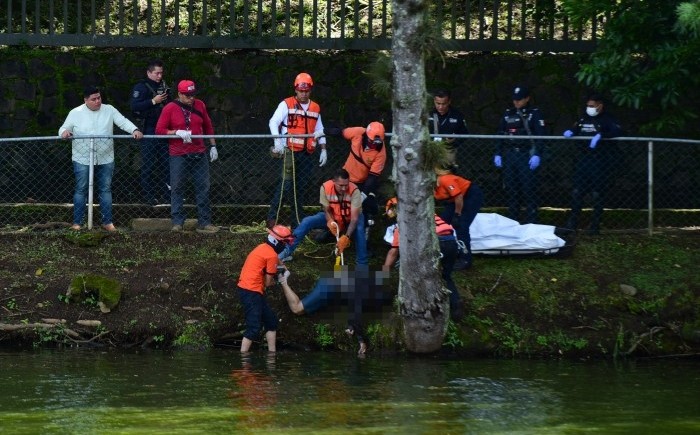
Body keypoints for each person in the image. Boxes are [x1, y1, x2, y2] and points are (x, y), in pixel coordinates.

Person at [59, 85, 143, 232]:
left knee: (105, 189)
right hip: (82, 157)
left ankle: (107, 222)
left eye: (99, 98)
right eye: (94, 99)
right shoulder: (75, 112)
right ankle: (77, 223)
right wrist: (65, 132)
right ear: (86, 100)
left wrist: (134, 129)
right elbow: (64, 128)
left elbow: (122, 121)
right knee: (81, 189)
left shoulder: (109, 109)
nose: (98, 101)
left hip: (106, 156)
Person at [381, 197, 464, 320]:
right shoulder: (427, 213)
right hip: (451, 242)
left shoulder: (403, 223)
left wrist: (384, 274)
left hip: (436, 243)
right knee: (445, 276)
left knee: (420, 275)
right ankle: (456, 305)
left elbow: (393, 252)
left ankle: (424, 311)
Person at [278, 266, 390, 355]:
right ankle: (283, 279)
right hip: (328, 287)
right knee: (297, 309)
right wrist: (361, 341)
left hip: (333, 283)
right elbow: (356, 311)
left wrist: (350, 326)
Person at [155, 79, 219, 234]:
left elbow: (208, 126)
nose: (191, 98)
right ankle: (177, 222)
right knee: (177, 187)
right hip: (178, 153)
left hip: (198, 151)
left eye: (192, 95)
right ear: (179, 94)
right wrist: (175, 132)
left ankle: (204, 222)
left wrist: (213, 145)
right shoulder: (170, 108)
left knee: (203, 187)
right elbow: (159, 130)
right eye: (187, 95)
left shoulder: (200, 105)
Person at [267, 72, 328, 229]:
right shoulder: (286, 104)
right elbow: (273, 122)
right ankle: (272, 219)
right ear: (296, 90)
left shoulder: (315, 107)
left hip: (307, 154)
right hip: (290, 151)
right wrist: (278, 142)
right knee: (285, 186)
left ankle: (297, 223)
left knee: (300, 189)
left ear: (310, 90)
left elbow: (319, 129)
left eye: (306, 91)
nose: (303, 93)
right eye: (301, 91)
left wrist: (323, 149)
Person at [277, 168, 368, 266]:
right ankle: (286, 252)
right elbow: (326, 210)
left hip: (351, 219)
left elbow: (354, 219)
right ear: (334, 182)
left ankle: (362, 264)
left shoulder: (355, 191)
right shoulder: (325, 188)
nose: (344, 188)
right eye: (341, 185)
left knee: (359, 229)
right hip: (334, 216)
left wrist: (347, 236)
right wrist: (330, 221)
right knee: (307, 221)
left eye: (346, 185)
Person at [563, 93, 623, 234]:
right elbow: (575, 128)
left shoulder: (608, 119)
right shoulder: (584, 118)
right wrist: (570, 132)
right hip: (584, 159)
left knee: (597, 193)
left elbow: (617, 131)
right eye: (588, 106)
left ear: (599, 105)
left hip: (600, 160)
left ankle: (595, 225)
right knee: (577, 191)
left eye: (592, 106)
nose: (589, 108)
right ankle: (572, 223)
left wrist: (601, 135)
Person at [319, 121, 387, 237]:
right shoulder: (358, 133)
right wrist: (322, 132)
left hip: (362, 183)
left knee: (367, 206)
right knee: (336, 203)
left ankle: (362, 234)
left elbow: (373, 177)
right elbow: (340, 132)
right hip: (346, 178)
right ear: (366, 135)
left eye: (377, 142)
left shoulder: (381, 153)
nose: (373, 145)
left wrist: (363, 195)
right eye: (371, 141)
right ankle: (332, 229)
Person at [237, 225, 294, 352]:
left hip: (250, 290)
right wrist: (280, 280)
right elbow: (268, 283)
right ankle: (243, 360)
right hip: (251, 291)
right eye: (284, 243)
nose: (285, 246)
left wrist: (283, 267)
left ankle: (271, 355)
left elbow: (275, 259)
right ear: (278, 242)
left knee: (271, 322)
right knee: (253, 327)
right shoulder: (271, 255)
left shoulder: (262, 247)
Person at [494, 85, 546, 224]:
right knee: (511, 189)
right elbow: (500, 134)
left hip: (526, 155)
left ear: (527, 98)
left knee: (529, 189)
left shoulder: (534, 113)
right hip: (511, 155)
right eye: (514, 99)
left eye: (519, 99)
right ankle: (513, 221)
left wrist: (538, 154)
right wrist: (498, 153)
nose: (516, 102)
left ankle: (532, 222)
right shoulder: (508, 113)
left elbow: (541, 135)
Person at [130, 59, 171, 205]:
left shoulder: (164, 86)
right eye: (156, 73)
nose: (159, 76)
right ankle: (148, 196)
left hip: (164, 130)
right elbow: (134, 106)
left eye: (161, 73)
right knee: (148, 164)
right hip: (149, 130)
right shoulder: (141, 87)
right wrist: (153, 101)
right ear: (149, 73)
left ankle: (168, 195)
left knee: (166, 164)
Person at [433, 168, 484, 270]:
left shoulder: (445, 180)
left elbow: (458, 197)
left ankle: (465, 259)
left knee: (461, 226)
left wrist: (457, 214)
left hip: (470, 195)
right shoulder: (429, 187)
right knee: (442, 225)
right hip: (454, 200)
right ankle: (448, 252)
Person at [428, 89, 469, 168]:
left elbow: (465, 134)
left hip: (449, 151)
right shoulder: (428, 114)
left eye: (444, 104)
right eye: (438, 103)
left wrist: (454, 140)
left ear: (449, 102)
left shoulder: (457, 115)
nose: (440, 107)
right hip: (430, 150)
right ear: (434, 101)